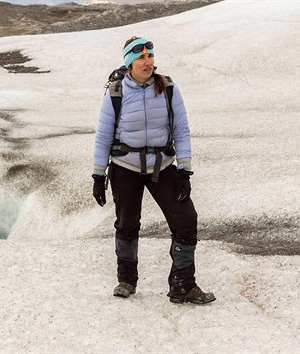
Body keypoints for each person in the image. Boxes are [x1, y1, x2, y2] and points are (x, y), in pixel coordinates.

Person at [91, 36, 215, 304]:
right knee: (127, 224)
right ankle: (126, 280)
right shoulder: (116, 93)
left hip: (163, 166)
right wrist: (98, 175)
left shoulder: (167, 88)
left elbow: (181, 130)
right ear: (129, 63)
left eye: (150, 57)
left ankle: (183, 285)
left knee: (186, 220)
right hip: (125, 167)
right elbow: (102, 136)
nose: (148, 62)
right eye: (141, 58)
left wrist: (184, 170)